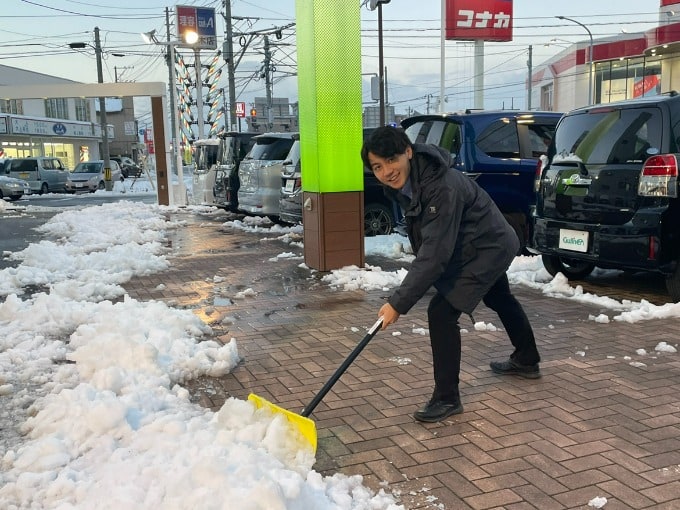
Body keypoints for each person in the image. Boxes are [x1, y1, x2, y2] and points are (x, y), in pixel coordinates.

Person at [360, 126, 541, 423]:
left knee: (441, 312)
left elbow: (435, 254)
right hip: (480, 244)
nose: (386, 171)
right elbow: (433, 245)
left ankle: (447, 398)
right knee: (499, 297)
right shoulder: (414, 181)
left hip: (487, 249)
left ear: (408, 151)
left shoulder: (439, 186)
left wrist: (398, 303)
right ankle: (527, 358)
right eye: (377, 167)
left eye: (390, 160)